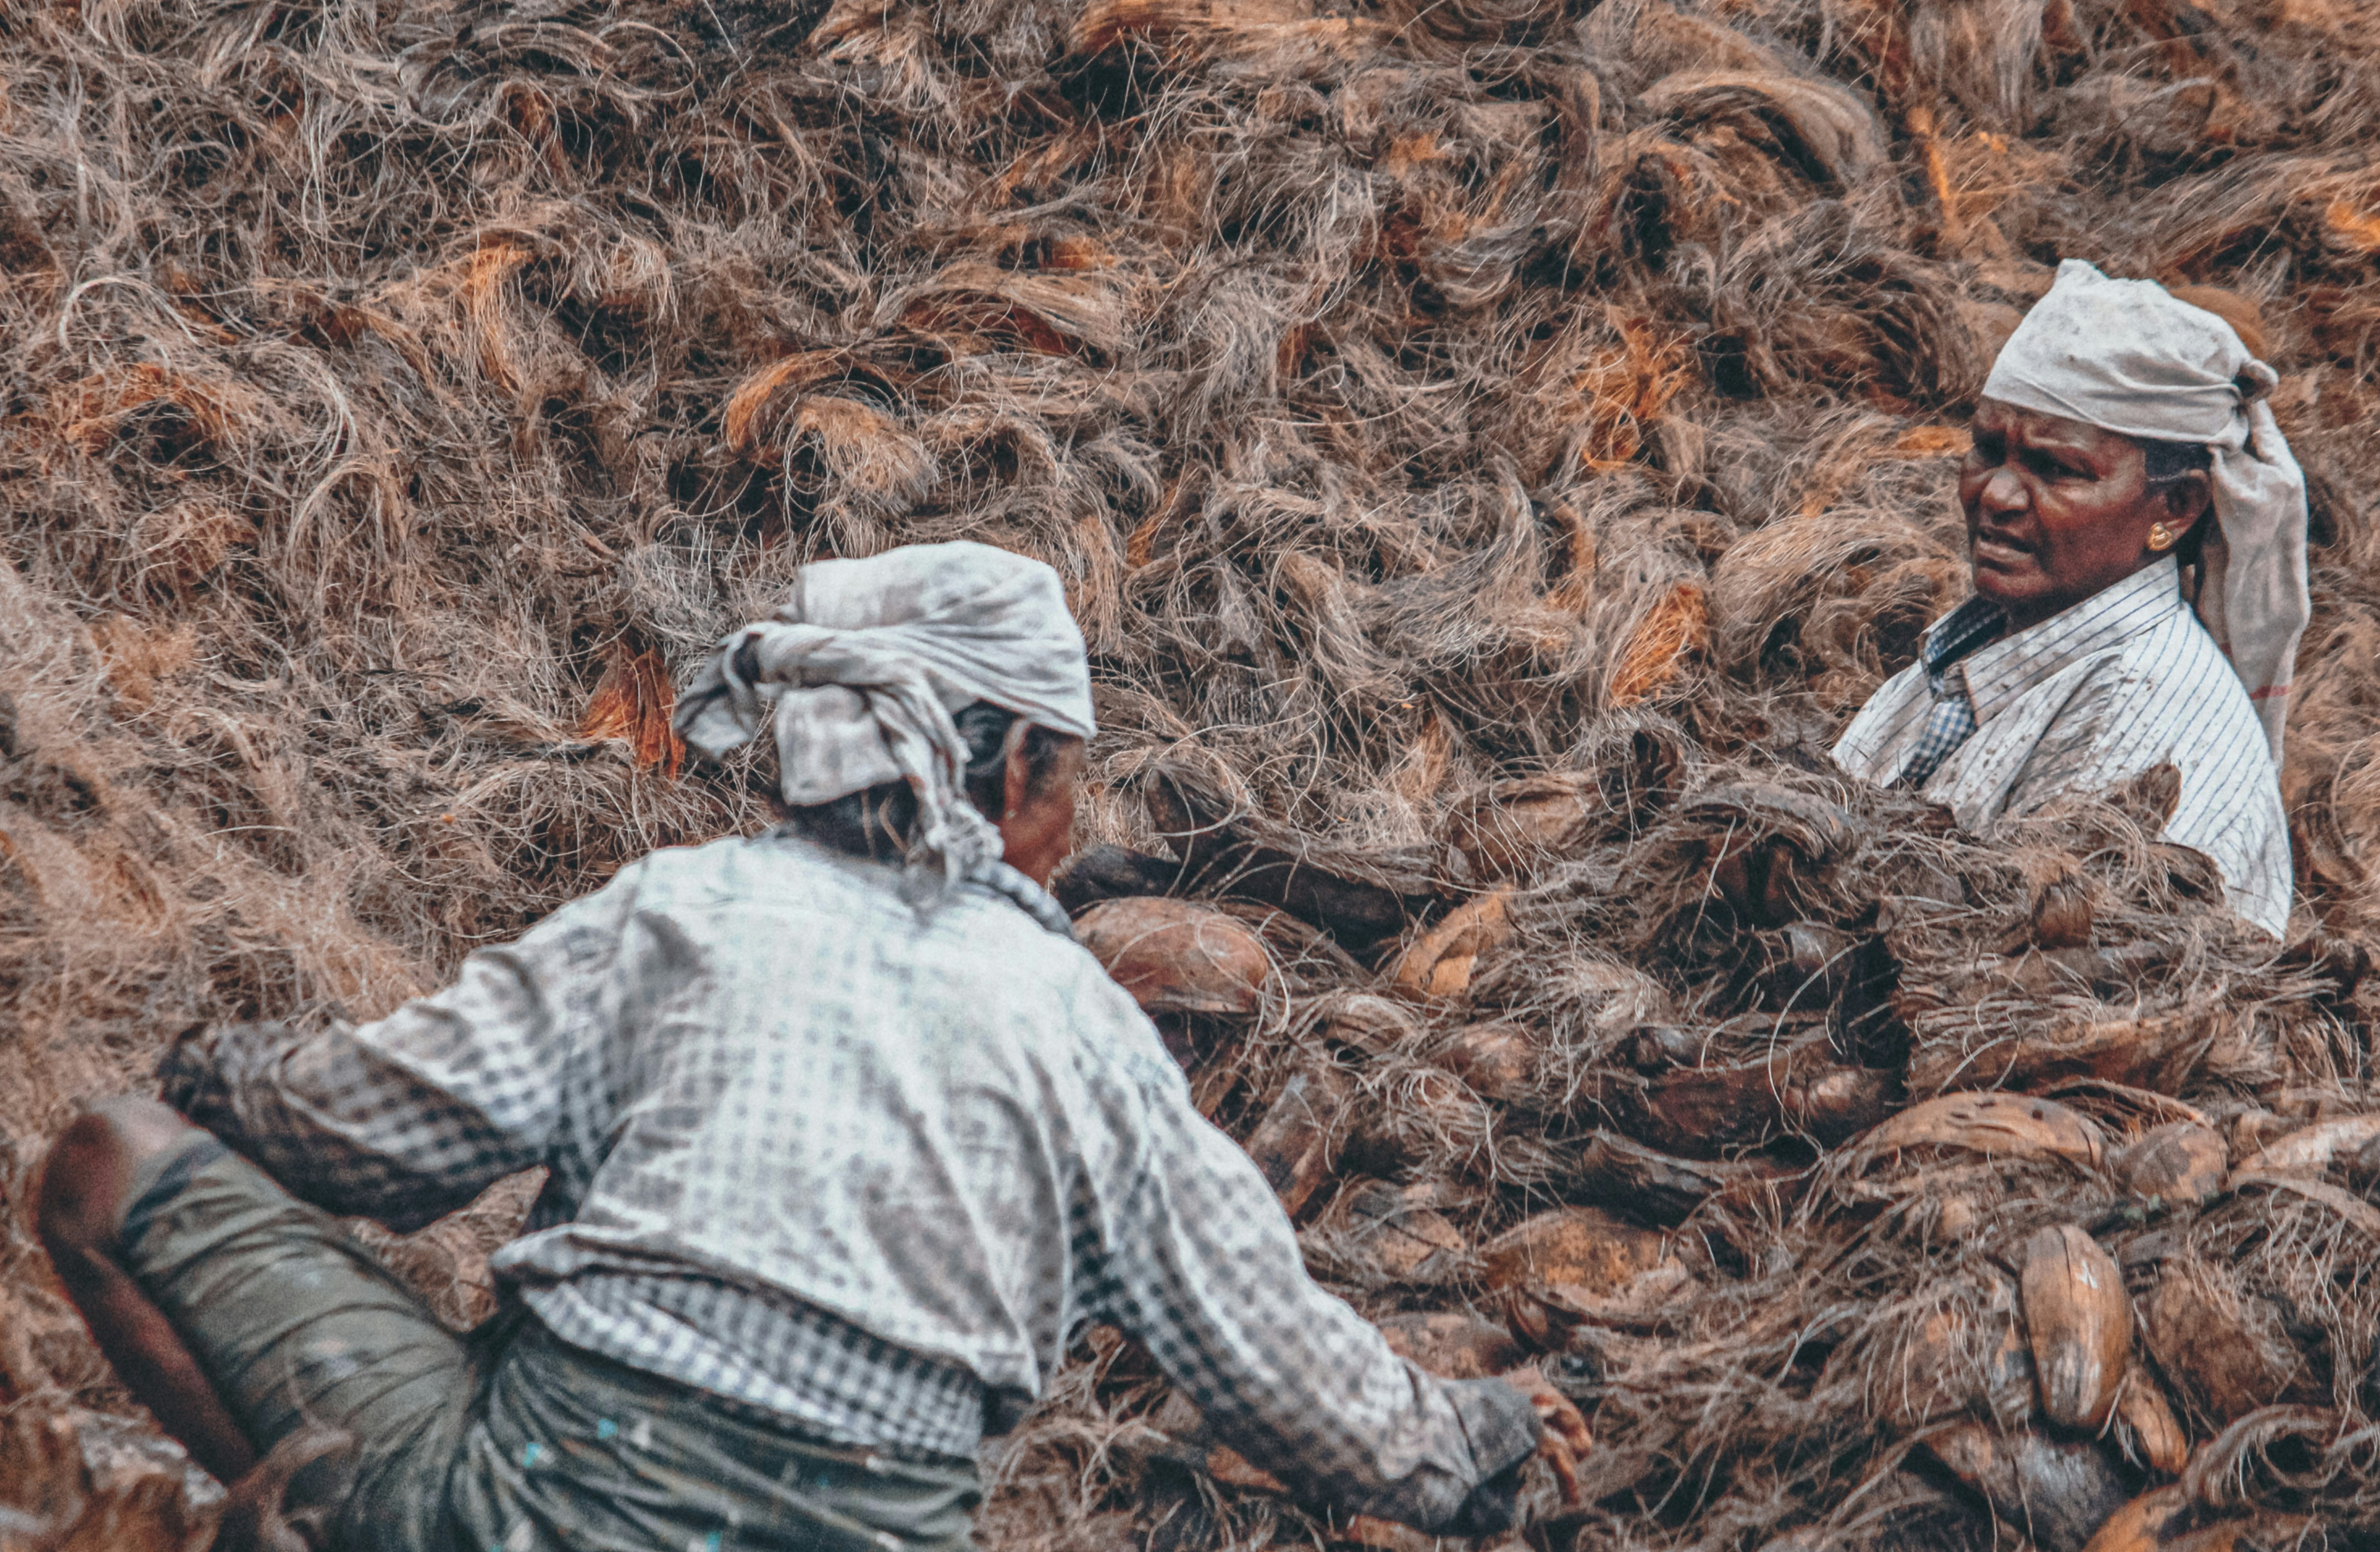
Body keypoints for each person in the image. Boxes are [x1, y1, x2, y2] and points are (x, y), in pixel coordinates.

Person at [36, 541, 1590, 1551]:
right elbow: (1281, 1369)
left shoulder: (678, 910)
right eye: (1077, 767)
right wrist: (1481, 1446)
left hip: (516, 1505)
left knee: (107, 1167)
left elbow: (365, 1143)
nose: (1083, 812)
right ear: (1022, 763)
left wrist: (232, 1074)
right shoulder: (1085, 1035)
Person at [1830, 260, 2306, 937]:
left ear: (2176, 507)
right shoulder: (1972, 650)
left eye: (2057, 469)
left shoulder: (2142, 713)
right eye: (1989, 450)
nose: (1995, 494)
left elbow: (2029, 983)